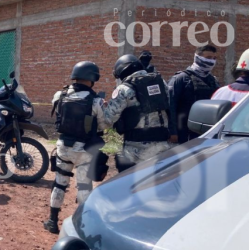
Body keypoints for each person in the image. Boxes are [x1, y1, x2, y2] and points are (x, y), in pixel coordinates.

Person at [45, 61, 109, 234]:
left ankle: (52, 221)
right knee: (83, 187)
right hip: (84, 150)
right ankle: (83, 226)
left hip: (63, 146)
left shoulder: (60, 94)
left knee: (59, 183)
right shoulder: (95, 101)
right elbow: (104, 125)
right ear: (92, 78)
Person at [104, 55, 173, 172]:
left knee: (132, 186)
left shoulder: (123, 89)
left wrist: (105, 107)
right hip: (162, 147)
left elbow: (108, 119)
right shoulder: (161, 82)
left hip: (135, 151)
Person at [168, 45, 220, 143]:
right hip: (184, 133)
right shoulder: (181, 79)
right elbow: (171, 106)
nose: (212, 61)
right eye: (208, 58)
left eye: (214, 58)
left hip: (206, 133)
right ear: (198, 57)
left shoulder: (213, 81)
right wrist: (172, 132)